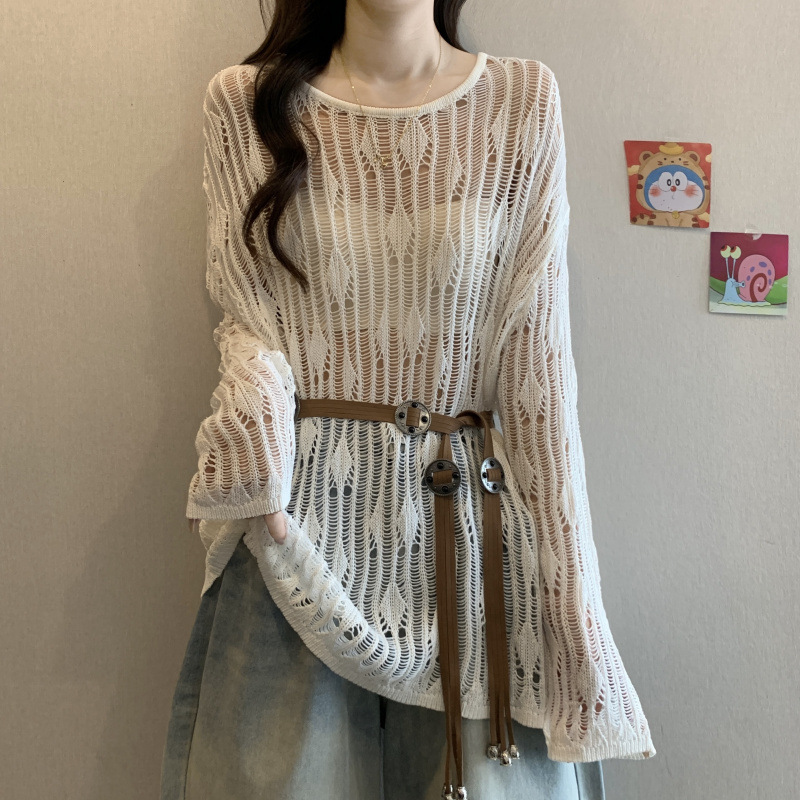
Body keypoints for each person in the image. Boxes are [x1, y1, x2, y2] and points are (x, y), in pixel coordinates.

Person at [160, 1, 657, 798]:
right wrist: (252, 447)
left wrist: (573, 611)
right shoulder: (244, 105)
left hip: (471, 550)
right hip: (295, 542)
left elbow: (539, 380)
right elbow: (248, 316)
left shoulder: (522, 101)